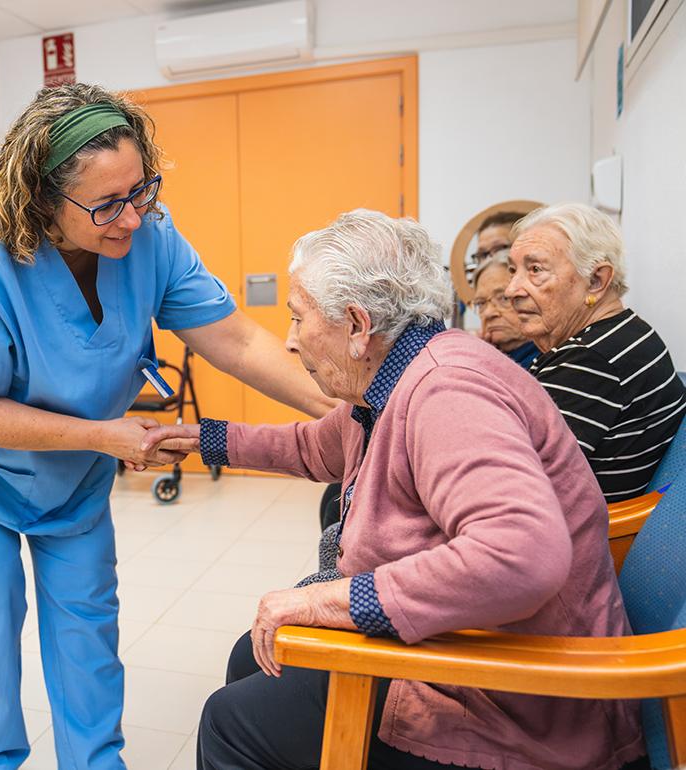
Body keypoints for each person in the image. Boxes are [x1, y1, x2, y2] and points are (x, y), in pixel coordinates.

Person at [0, 83, 336, 769]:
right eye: (106, 204)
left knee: (86, 615)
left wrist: (349, 413)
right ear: (41, 199)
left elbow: (236, 340)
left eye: (141, 190)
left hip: (74, 451)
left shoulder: (150, 234)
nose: (131, 218)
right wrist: (100, 435)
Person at [144, 210, 645, 770]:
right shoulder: (399, 375)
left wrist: (325, 598)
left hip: (522, 701)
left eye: (297, 318)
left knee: (230, 721)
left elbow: (520, 555)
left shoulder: (446, 391)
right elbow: (318, 448)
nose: (289, 341)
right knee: (252, 659)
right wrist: (202, 440)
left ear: (358, 326)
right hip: (472, 644)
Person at [505, 203, 686, 502]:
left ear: (596, 281)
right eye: (513, 271)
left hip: (578, 539)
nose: (512, 289)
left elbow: (512, 482)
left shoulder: (592, 359)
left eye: (535, 270)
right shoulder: (621, 334)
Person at [470, 249, 539, 367]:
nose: (488, 313)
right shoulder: (481, 357)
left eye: (504, 298)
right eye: (481, 303)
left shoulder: (551, 361)